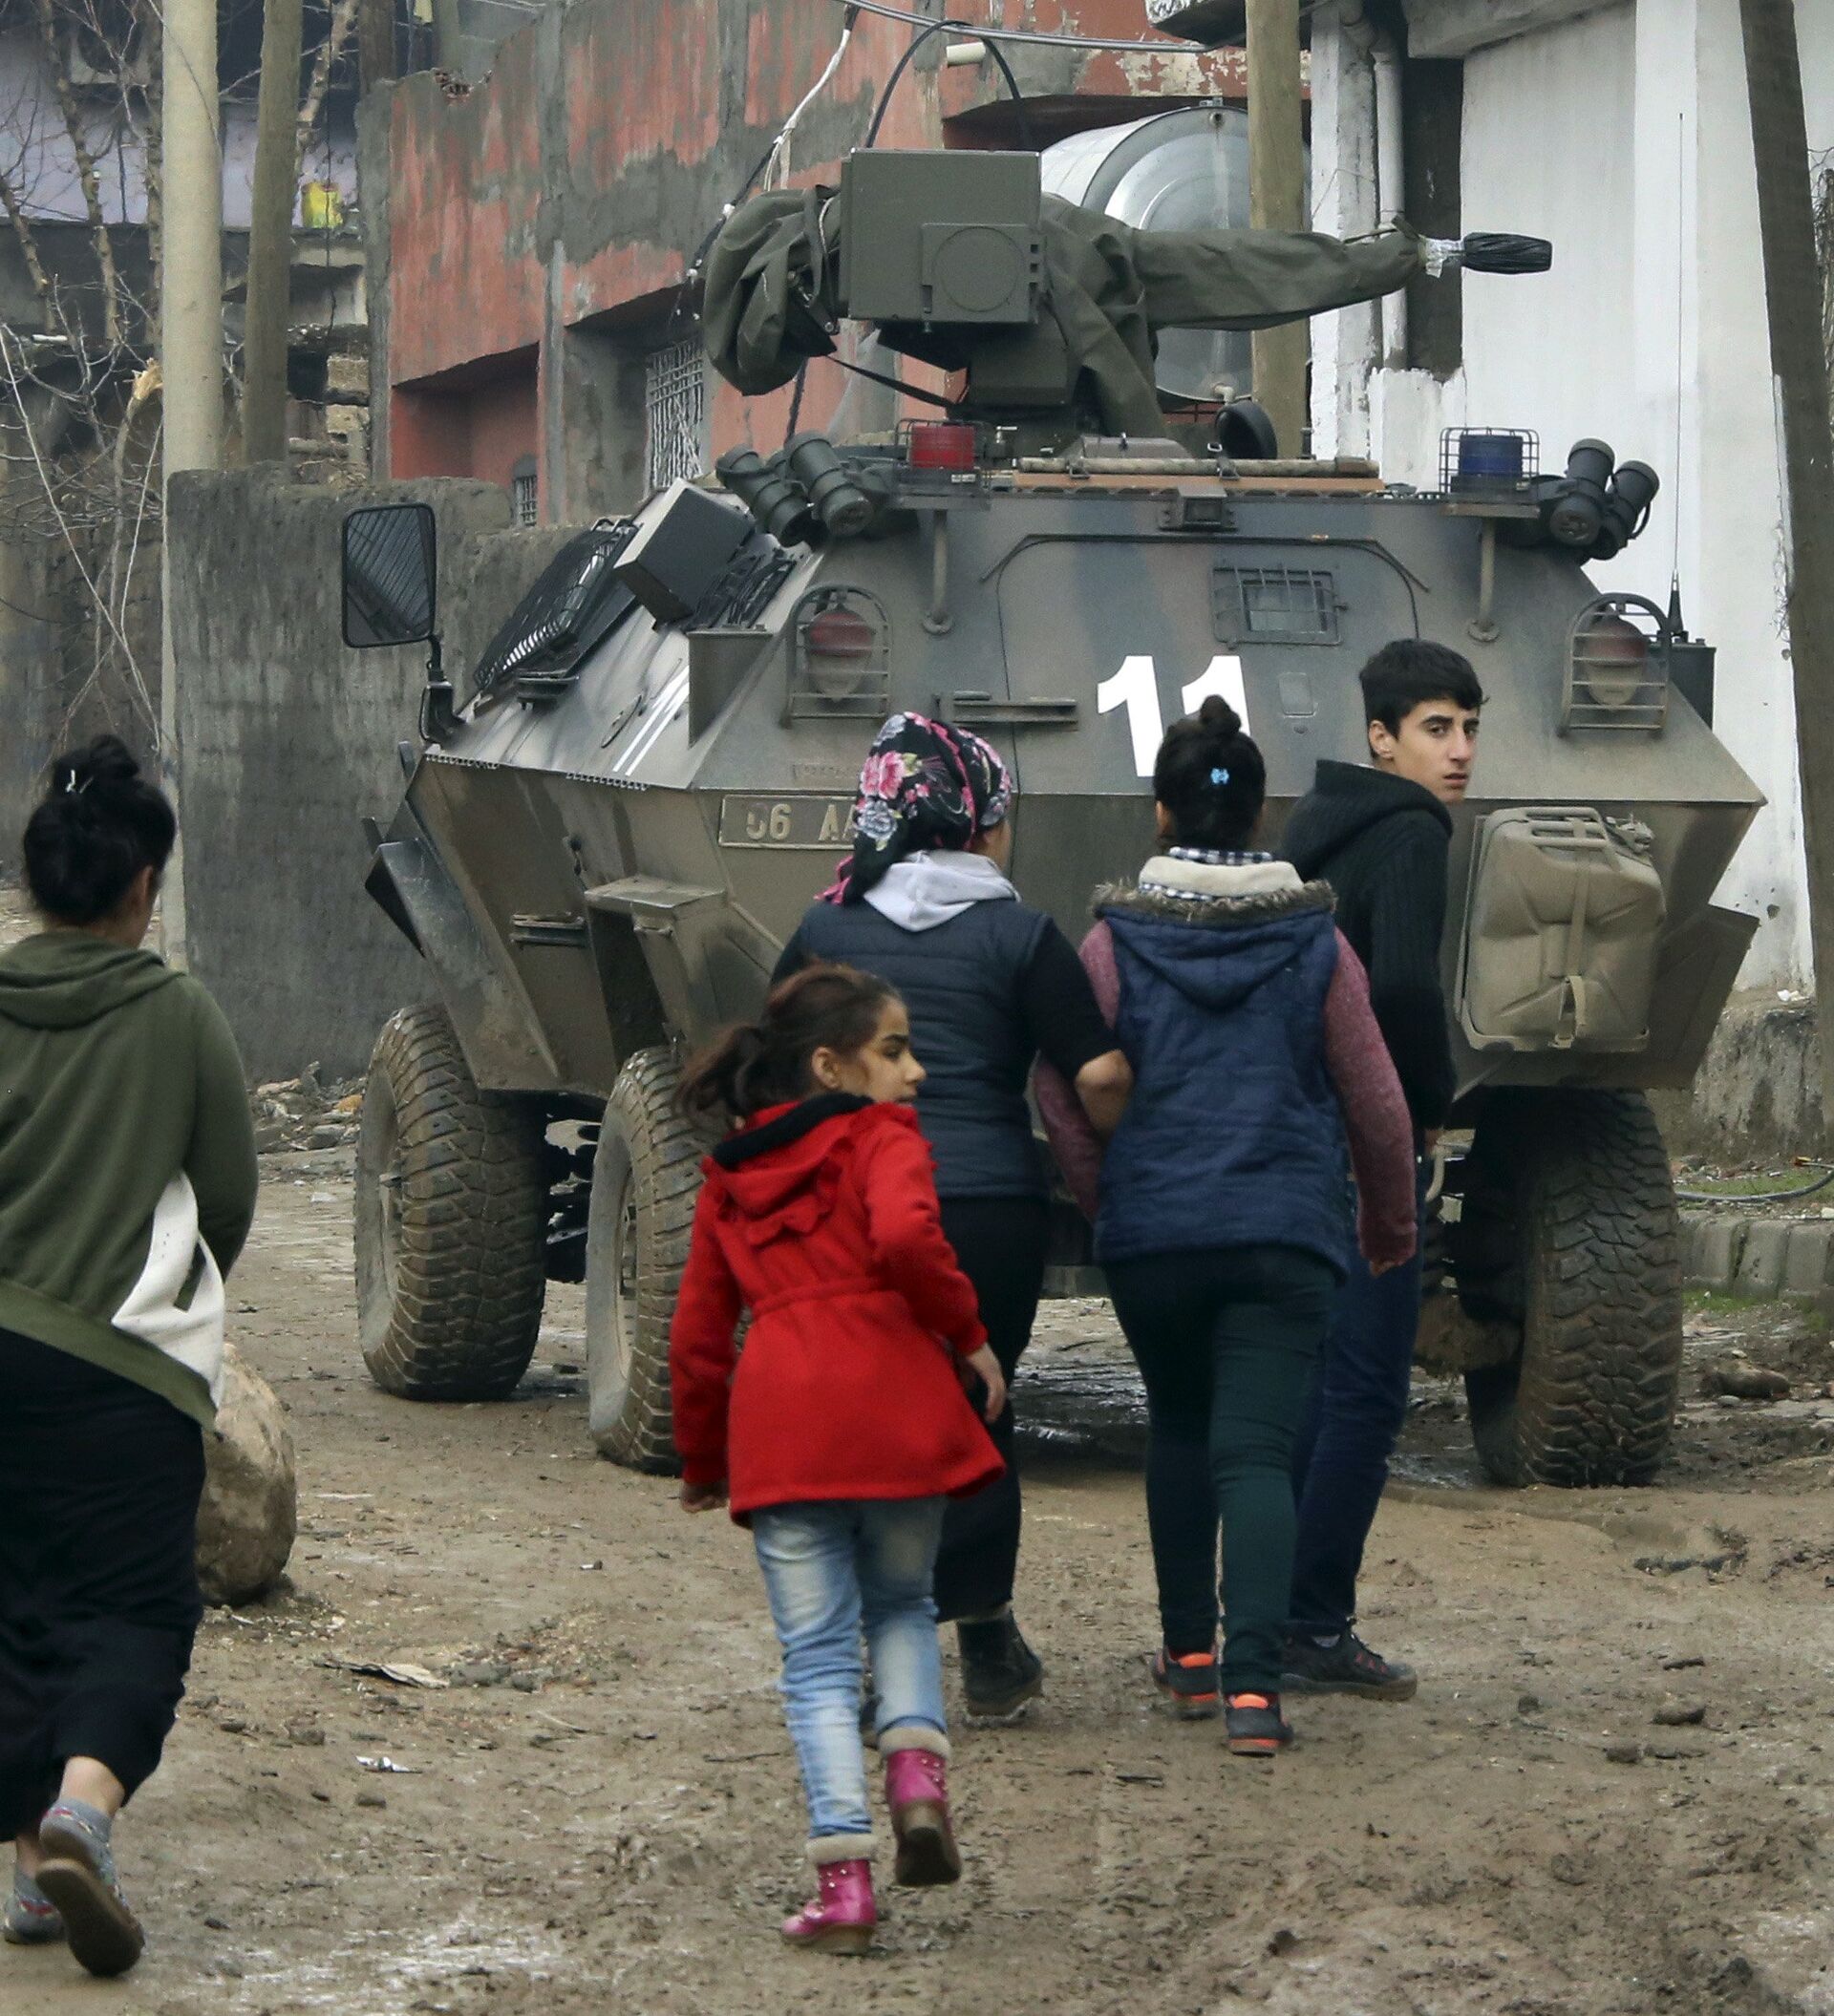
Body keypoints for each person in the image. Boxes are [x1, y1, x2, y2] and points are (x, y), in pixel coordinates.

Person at [1038, 698, 1415, 1756]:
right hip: (1282, 1235)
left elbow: (1062, 1089)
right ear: (1262, 817)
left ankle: (1189, 1660)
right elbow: (1378, 1102)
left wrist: (1106, 1197)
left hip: (1156, 1236)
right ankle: (1255, 1694)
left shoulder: (1111, 944)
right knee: (1256, 1452)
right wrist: (1387, 1222)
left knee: (1181, 1428)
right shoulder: (1318, 943)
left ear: (1160, 815)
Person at [773, 713, 1130, 1720]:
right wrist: (1124, 1149)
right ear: (979, 823)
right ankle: (987, 1642)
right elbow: (1099, 1072)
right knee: (977, 1405)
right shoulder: (1023, 935)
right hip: (986, 1213)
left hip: (854, 1211)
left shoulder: (827, 933)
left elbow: (774, 1070)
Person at [669, 964, 1006, 1954]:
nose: (916, 1070)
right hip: (896, 1409)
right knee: (902, 1605)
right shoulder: (881, 1138)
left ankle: (845, 1889)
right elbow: (905, 1236)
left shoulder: (730, 1178)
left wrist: (702, 1458)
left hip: (786, 1429)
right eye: (895, 1049)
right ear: (830, 1064)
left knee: (815, 1658)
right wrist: (968, 1333)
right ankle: (915, 1779)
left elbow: (697, 1336)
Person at [0, 736, 258, 1978]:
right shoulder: (177, 1013)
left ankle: (30, 1869)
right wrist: (173, 1288)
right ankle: (82, 1808)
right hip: (121, 1376)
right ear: (144, 882)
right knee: (133, 1606)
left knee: (10, 1606)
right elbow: (227, 1194)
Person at [1278, 640, 1484, 1702]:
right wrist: (1429, 1104)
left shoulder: (1317, 828)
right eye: (1436, 728)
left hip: (1299, 1135)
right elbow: (1403, 985)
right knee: (1365, 1389)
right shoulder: (1409, 832)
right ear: (1381, 737)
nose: (1459, 751)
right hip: (1369, 1138)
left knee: (1312, 1382)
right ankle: (1313, 1622)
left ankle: (1263, 1609)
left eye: (1469, 728)